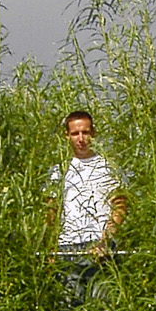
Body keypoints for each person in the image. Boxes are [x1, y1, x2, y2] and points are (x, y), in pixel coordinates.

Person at [45, 109, 126, 297]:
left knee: (105, 310)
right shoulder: (59, 170)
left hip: (99, 249)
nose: (81, 138)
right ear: (67, 136)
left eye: (85, 132)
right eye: (75, 133)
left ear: (93, 133)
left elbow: (120, 207)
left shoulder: (108, 168)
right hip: (66, 249)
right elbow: (51, 210)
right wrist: (50, 248)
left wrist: (106, 241)